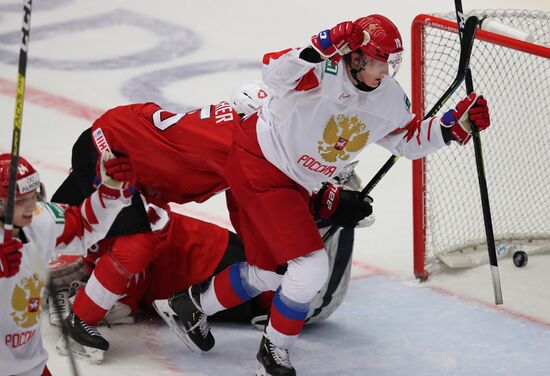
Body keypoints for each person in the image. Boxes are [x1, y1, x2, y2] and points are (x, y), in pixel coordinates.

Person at [157, 15, 491, 376]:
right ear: (358, 57)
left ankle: (189, 305)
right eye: (379, 62)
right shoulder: (322, 71)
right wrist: (321, 45)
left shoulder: (390, 98)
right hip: (261, 164)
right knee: (310, 267)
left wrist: (452, 126)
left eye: (391, 62)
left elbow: (407, 141)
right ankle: (274, 353)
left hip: (295, 180)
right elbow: (274, 74)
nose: (386, 71)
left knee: (271, 273)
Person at [49, 82, 272, 362]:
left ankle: (47, 251)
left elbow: (241, 197)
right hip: (111, 153)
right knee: (137, 244)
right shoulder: (234, 141)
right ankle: (79, 322)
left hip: (116, 146)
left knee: (63, 226)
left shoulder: (236, 137)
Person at [0, 152, 135, 376]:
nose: (30, 206)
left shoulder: (40, 218)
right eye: (21, 201)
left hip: (30, 365)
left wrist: (110, 193)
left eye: (33, 196)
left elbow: (83, 226)